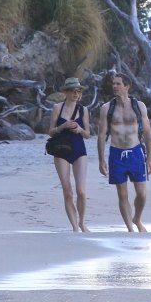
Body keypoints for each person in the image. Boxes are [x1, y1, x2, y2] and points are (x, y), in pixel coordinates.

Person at [97, 73, 151, 233]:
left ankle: (137, 218)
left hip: (136, 152)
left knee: (141, 194)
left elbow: (148, 133)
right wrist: (101, 160)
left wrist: (149, 158)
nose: (114, 86)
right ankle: (130, 228)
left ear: (127, 87)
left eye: (118, 83)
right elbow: (101, 135)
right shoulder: (107, 108)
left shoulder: (139, 106)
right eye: (113, 83)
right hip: (116, 153)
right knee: (122, 195)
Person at [47, 77, 91, 233]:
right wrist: (63, 126)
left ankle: (82, 222)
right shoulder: (57, 108)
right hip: (61, 150)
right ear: (66, 92)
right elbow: (50, 131)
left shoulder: (83, 110)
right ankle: (74, 227)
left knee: (81, 191)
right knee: (68, 191)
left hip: (79, 149)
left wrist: (79, 129)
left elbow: (88, 134)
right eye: (73, 91)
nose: (76, 94)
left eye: (78, 91)